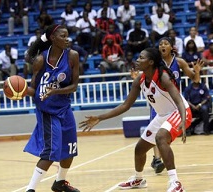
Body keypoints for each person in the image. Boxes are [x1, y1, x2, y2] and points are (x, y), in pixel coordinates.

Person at [80, 47, 192, 192]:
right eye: (138, 57)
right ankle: (138, 179)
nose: (137, 60)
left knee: (160, 138)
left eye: (141, 58)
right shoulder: (140, 80)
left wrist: (183, 120)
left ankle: (175, 182)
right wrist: (100, 118)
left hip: (180, 111)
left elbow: (178, 100)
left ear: (151, 62)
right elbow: (126, 105)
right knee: (140, 148)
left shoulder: (162, 77)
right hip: (163, 115)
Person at [132, 37, 203, 174]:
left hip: (174, 102)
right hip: (158, 103)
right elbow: (143, 79)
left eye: (166, 43)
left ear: (171, 47)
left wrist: (197, 71)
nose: (162, 46)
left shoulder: (179, 62)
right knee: (155, 132)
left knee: (161, 136)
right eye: (160, 44)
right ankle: (157, 159)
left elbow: (195, 79)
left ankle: (166, 169)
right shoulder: (154, 63)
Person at [23, 24, 80, 192]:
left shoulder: (72, 56)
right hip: (47, 111)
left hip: (64, 108)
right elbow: (33, 89)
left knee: (70, 150)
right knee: (51, 151)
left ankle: (60, 182)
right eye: (63, 36)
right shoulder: (41, 60)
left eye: (67, 35)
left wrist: (56, 91)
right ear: (53, 39)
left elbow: (74, 86)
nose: (67, 39)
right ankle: (30, 189)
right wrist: (20, 91)